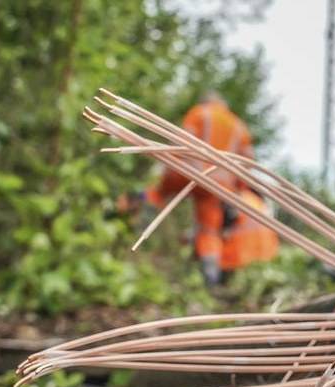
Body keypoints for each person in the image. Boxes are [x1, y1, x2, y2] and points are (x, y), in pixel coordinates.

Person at [118, 91, 278, 286]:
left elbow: (179, 142)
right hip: (217, 186)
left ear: (206, 102)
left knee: (158, 194)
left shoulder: (200, 113)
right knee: (208, 231)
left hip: (186, 173)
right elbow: (247, 161)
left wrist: (167, 174)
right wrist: (237, 187)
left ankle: (135, 223)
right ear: (224, 105)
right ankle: (210, 278)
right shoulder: (239, 125)